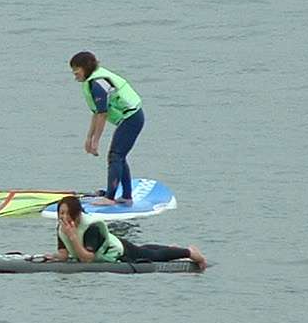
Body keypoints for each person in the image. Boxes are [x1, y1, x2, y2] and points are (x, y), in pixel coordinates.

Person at [46, 196, 206, 270]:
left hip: (120, 252)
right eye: (61, 213)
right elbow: (64, 254)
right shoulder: (62, 228)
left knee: (151, 255)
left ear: (77, 214)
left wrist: (73, 237)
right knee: (145, 248)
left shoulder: (91, 228)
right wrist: (53, 257)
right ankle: (172, 248)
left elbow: (87, 259)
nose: (63, 217)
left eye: (66, 213)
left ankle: (190, 252)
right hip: (116, 247)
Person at [69, 51, 144, 206]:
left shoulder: (97, 84)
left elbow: (103, 115)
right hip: (130, 118)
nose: (75, 75)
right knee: (119, 156)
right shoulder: (92, 82)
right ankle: (126, 196)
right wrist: (89, 138)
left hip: (132, 118)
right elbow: (96, 113)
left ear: (86, 68)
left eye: (76, 71)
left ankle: (110, 198)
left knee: (115, 156)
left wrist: (96, 141)